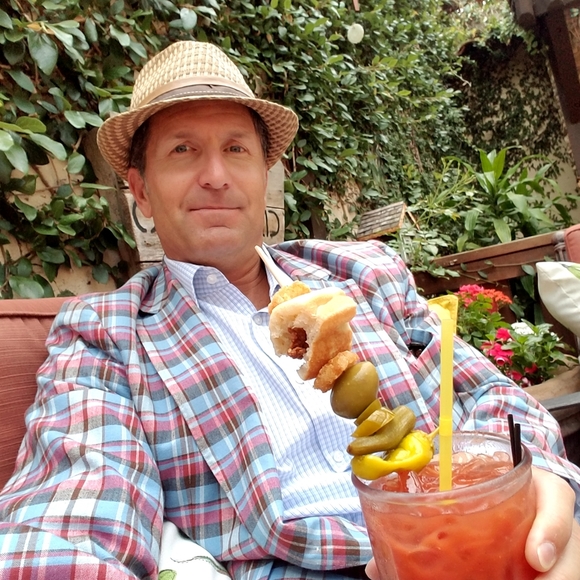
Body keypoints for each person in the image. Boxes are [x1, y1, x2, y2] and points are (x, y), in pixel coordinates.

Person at [0, 40, 578, 579]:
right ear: (142, 190)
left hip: (472, 528)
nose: (216, 177)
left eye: (236, 149)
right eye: (182, 150)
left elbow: (488, 394)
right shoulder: (106, 335)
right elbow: (72, 512)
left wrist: (541, 484)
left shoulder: (363, 271)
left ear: (264, 174)